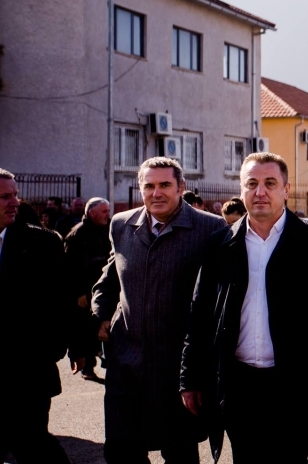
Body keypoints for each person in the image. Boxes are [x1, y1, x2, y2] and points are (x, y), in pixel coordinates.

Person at [181, 152, 308, 462]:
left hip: (297, 386)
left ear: (286, 189)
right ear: (242, 190)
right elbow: (200, 314)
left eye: (270, 183)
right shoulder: (220, 244)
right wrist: (189, 379)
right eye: (252, 184)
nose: (260, 192)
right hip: (239, 387)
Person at [91, 157, 226, 464]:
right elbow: (110, 277)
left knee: (179, 454)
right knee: (121, 452)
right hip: (126, 363)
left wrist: (202, 369)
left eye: (165, 185)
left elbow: (217, 301)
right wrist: (100, 314)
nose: (156, 193)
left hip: (177, 368)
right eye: (149, 186)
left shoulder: (210, 228)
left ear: (181, 187)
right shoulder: (121, 224)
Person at [0, 167, 75, 464]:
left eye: (15, 194)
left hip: (24, 373)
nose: (15, 202)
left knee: (33, 446)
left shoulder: (42, 244)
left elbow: (62, 303)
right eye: (5, 196)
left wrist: (48, 352)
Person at [63, 197, 113, 381]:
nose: (108, 215)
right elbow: (69, 267)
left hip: (104, 288)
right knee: (85, 329)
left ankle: (109, 364)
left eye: (108, 211)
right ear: (92, 213)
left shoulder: (109, 230)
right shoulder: (77, 235)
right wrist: (79, 292)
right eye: (104, 211)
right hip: (85, 291)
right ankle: (87, 367)